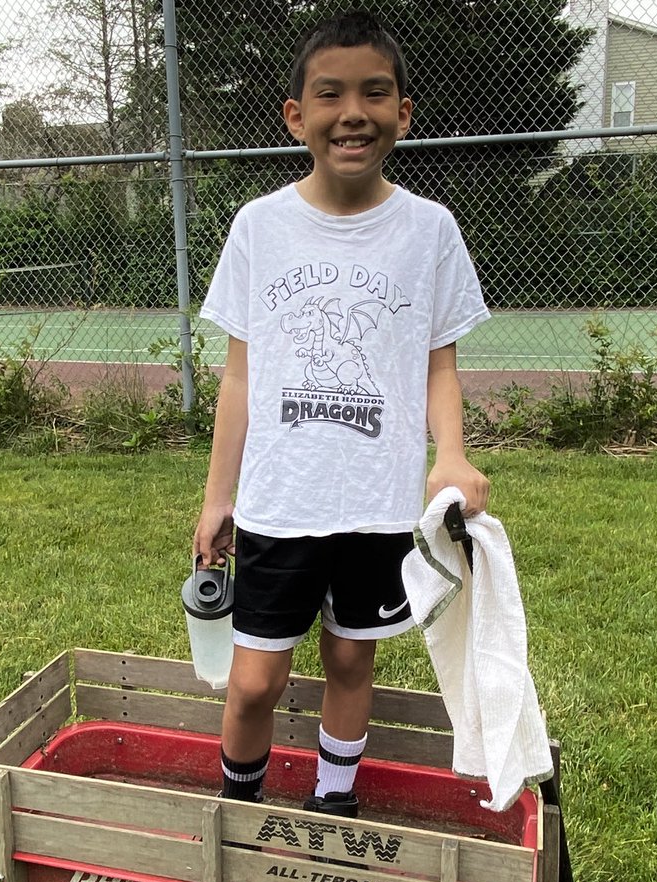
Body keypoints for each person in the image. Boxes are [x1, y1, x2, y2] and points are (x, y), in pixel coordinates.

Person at [193, 8, 491, 818]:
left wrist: (452, 456)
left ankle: (333, 805)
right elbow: (240, 377)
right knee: (256, 679)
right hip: (280, 503)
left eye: (374, 93)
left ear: (403, 112)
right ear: (297, 116)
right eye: (329, 95)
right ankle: (241, 810)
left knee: (351, 663)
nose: (352, 112)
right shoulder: (261, 226)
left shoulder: (430, 231)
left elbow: (438, 366)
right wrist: (219, 500)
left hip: (376, 503)